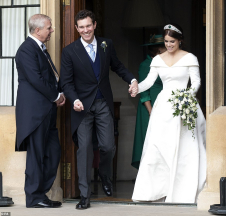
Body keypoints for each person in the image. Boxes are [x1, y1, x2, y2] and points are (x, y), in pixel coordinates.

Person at [60, 9, 138, 210]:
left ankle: (104, 174)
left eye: (89, 25)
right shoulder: (69, 51)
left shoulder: (106, 44)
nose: (86, 30)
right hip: (82, 107)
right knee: (84, 149)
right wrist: (74, 99)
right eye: (82, 27)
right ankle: (84, 195)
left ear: (94, 25)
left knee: (108, 146)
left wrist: (132, 79)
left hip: (103, 102)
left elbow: (118, 66)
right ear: (77, 29)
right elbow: (66, 82)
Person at [131, 24, 206, 203]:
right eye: (166, 41)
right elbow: (149, 81)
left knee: (184, 147)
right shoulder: (157, 60)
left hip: (184, 104)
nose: (169, 45)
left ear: (180, 40)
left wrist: (186, 97)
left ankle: (183, 191)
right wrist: (136, 88)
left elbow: (195, 82)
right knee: (158, 146)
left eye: (172, 41)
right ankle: (158, 190)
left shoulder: (190, 58)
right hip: (164, 106)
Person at [15, 14, 65, 208]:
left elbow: (49, 77)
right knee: (36, 156)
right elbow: (36, 79)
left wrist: (60, 92)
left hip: (47, 111)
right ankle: (34, 198)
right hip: (35, 113)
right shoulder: (26, 50)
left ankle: (40, 194)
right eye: (49, 28)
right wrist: (56, 96)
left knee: (53, 153)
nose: (51, 30)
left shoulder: (40, 48)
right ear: (38, 30)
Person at [131, 34, 166, 169]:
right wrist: (151, 112)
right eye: (164, 46)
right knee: (150, 141)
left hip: (162, 106)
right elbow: (144, 92)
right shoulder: (146, 65)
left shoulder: (163, 63)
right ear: (157, 50)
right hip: (149, 109)